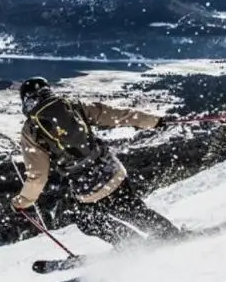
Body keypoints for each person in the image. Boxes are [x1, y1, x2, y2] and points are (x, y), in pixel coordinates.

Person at [10, 76, 183, 247]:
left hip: (87, 187)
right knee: (134, 211)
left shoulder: (31, 130)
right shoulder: (72, 106)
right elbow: (118, 115)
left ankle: (131, 245)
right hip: (112, 171)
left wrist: (23, 201)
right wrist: (154, 121)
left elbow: (38, 175)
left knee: (87, 220)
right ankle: (171, 235)